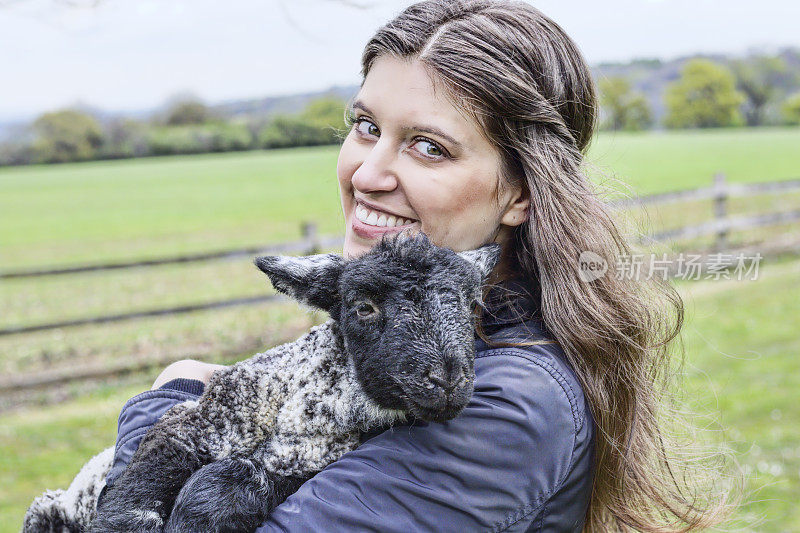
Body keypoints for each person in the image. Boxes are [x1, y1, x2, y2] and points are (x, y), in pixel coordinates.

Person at [103, 1, 733, 530]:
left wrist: (171, 399)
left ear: (522, 193)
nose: (369, 174)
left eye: (429, 147)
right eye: (366, 126)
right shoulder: (410, 331)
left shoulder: (506, 404)